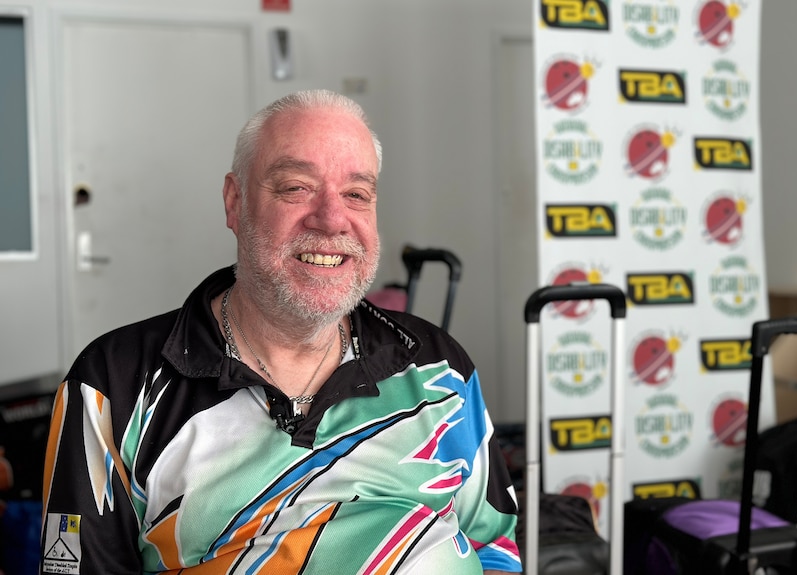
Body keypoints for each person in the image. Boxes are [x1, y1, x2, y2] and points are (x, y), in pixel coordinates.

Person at [40, 89, 522, 574]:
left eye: (356, 194)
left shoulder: (438, 366)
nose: (333, 220)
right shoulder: (114, 384)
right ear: (235, 202)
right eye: (296, 188)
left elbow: (493, 543)